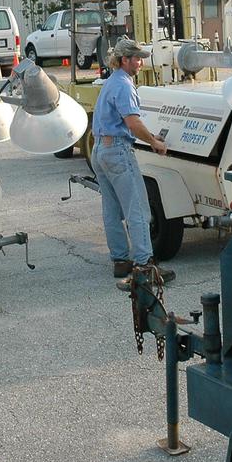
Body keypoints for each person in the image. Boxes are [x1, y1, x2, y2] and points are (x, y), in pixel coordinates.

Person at [90, 38, 175, 286]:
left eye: (141, 58)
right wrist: (154, 142)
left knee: (112, 209)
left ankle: (120, 260)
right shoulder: (125, 86)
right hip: (117, 151)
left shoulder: (111, 82)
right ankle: (144, 264)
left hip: (100, 149)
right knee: (138, 209)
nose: (140, 63)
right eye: (136, 58)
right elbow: (133, 123)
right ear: (124, 60)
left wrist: (150, 135)